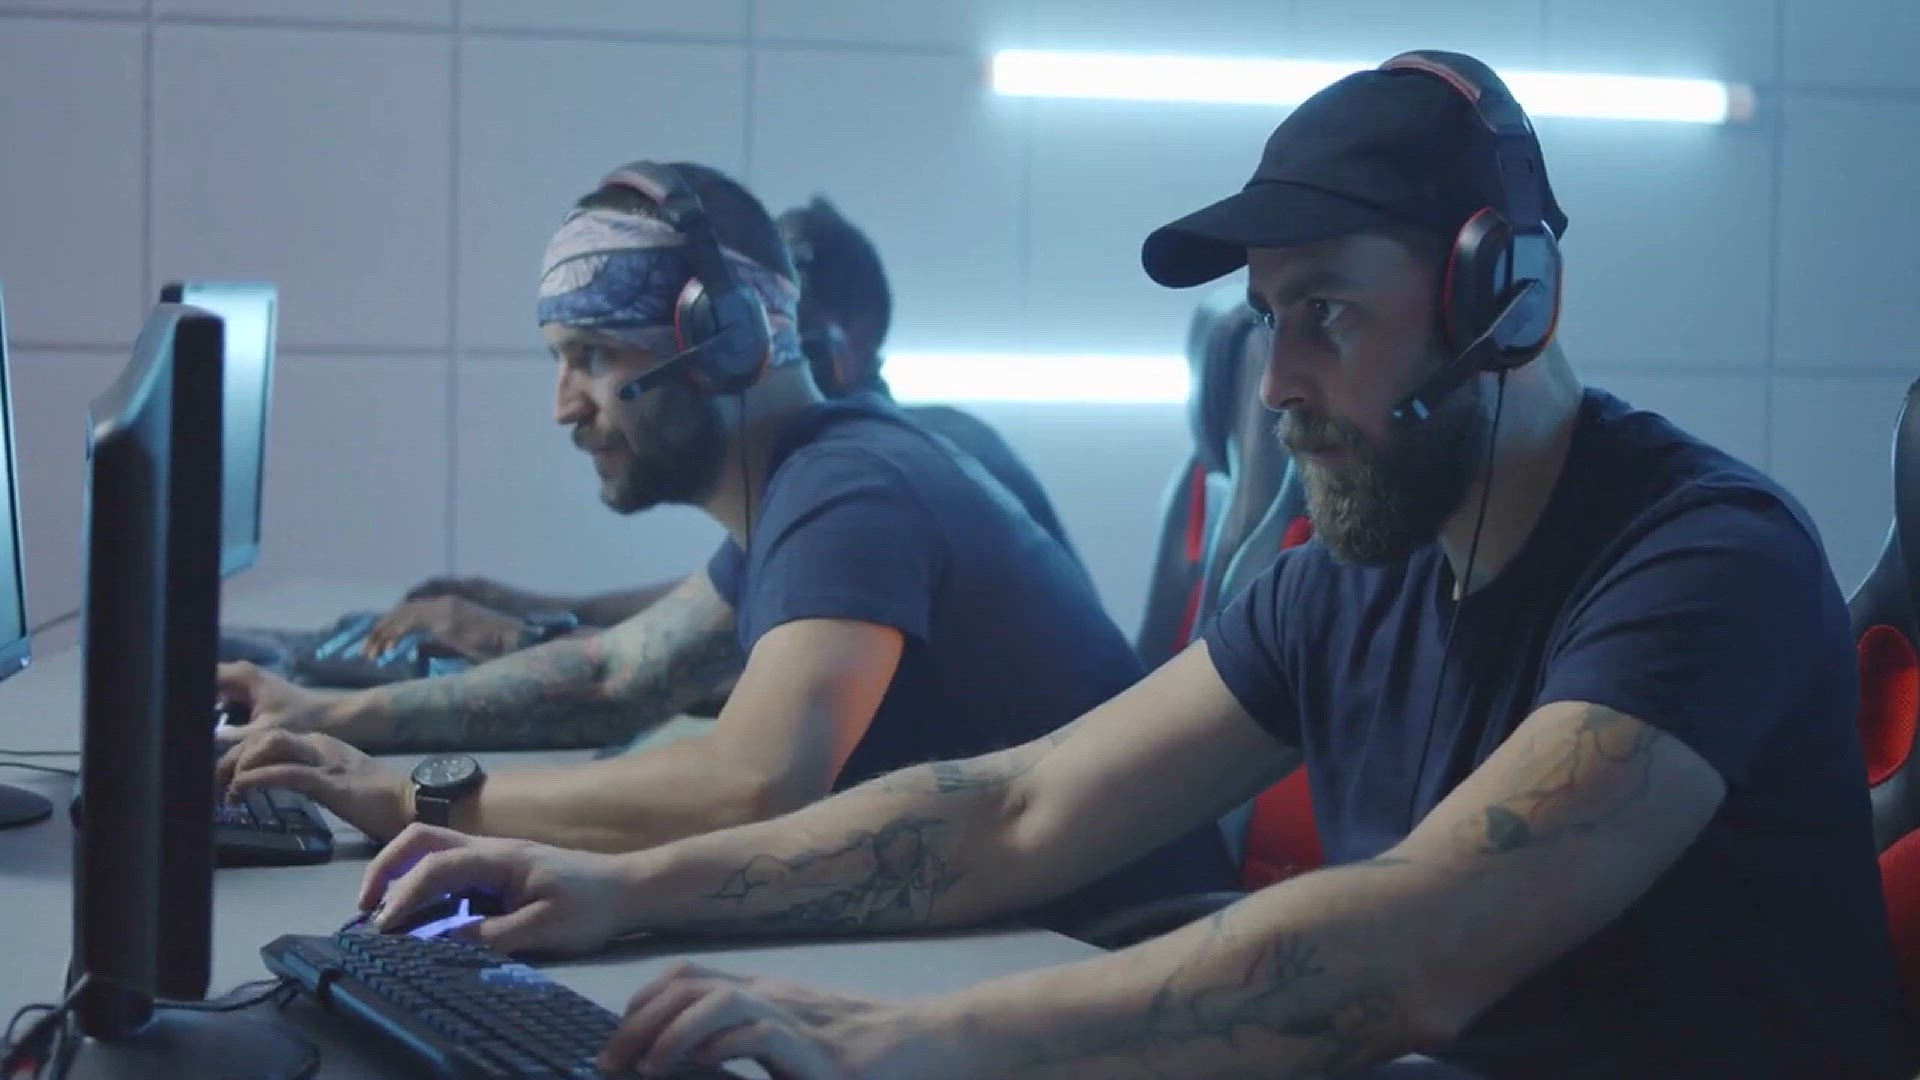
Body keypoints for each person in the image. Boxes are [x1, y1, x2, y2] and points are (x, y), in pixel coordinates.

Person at [349, 56, 1909, 1080]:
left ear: (1503, 300)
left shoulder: (1702, 565)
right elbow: (1020, 806)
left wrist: (917, 1040)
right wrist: (620, 892)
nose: (1275, 382)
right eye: (1268, 319)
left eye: (1326, 314)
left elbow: (1419, 941)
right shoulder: (1354, 567)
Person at [216, 160, 1234, 930]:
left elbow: (748, 783)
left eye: (592, 356)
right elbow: (616, 673)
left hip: (1098, 951)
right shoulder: (805, 485)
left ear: (723, 340)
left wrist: (407, 797)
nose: (564, 405)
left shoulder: (851, 491)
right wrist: (331, 715)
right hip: (998, 931)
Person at [367, 195, 1079, 665]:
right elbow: (715, 605)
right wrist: (530, 607)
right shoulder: (826, 466)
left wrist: (514, 636)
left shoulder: (872, 479)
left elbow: (717, 667)